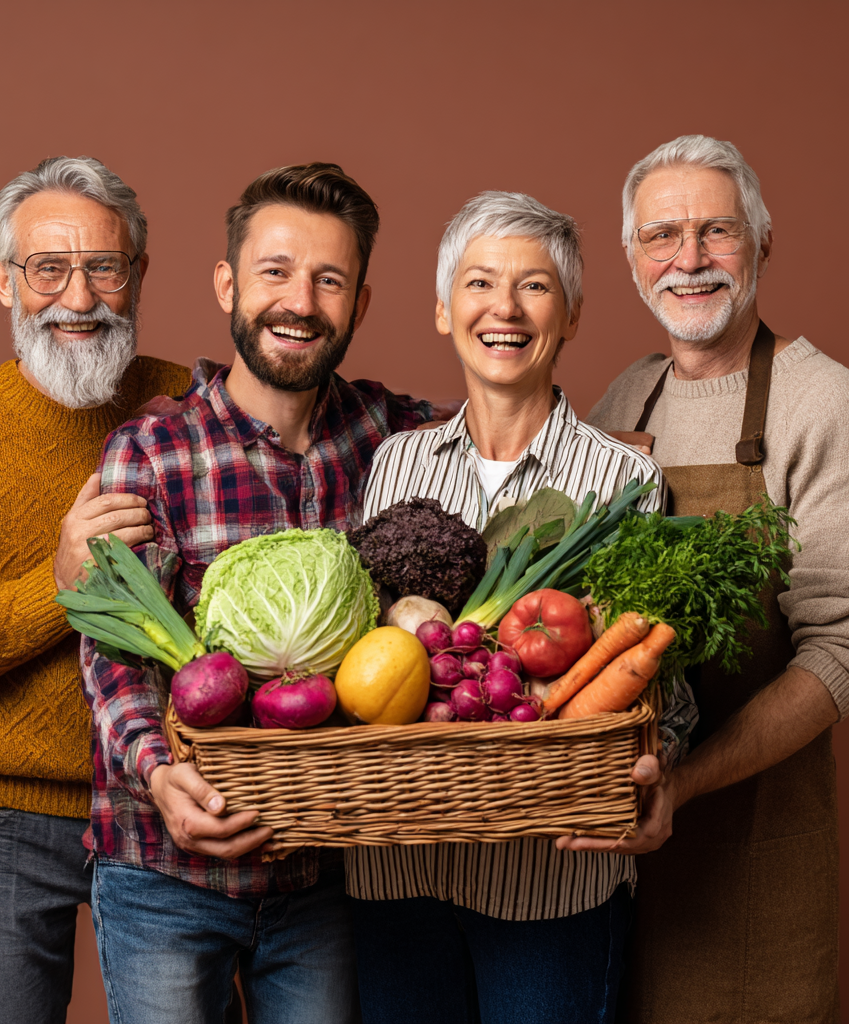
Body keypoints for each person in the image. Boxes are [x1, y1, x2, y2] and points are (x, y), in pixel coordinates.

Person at [80, 163, 455, 1024]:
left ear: (360, 305)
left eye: (330, 280)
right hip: (165, 871)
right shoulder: (151, 449)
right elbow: (113, 645)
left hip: (321, 876)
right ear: (227, 285)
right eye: (276, 272)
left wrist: (618, 445)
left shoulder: (390, 432)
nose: (300, 301)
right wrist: (159, 774)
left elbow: (504, 432)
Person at [575, 135, 849, 1023]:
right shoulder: (623, 402)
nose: (688, 260)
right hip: (606, 853)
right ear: (632, 259)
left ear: (762, 243)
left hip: (753, 846)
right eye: (661, 236)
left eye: (716, 232)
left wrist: (683, 782)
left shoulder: (827, 403)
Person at [345, 191, 667, 1024]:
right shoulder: (397, 465)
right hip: (397, 871)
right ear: (445, 309)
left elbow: (652, 672)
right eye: (481, 283)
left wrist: (659, 759)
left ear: (571, 314)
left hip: (554, 880)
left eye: (534, 287)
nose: (505, 309)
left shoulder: (623, 480)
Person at [0, 157, 191, 1023]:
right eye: (47, 268)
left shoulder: (186, 401)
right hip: (6, 823)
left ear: (137, 275)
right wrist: (59, 586)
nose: (78, 297)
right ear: (2, 279)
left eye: (103, 267)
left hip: (164, 802)